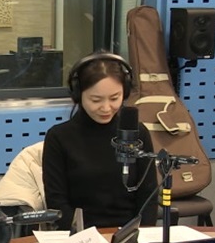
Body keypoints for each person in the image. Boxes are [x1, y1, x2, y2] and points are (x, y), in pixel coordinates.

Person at [42, 52, 159, 230]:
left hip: (129, 233)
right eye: (96, 100)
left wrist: (141, 234)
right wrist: (82, 236)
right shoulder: (58, 137)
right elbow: (57, 202)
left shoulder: (137, 133)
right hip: (80, 236)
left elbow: (148, 196)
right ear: (78, 94)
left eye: (114, 98)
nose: (106, 108)